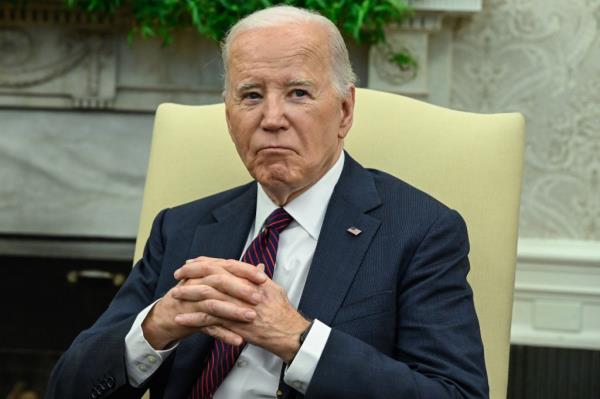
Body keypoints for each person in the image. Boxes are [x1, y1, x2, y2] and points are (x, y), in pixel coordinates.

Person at [46, 5, 488, 399]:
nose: (271, 119)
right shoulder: (181, 227)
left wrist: (296, 338)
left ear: (345, 111)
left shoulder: (420, 230)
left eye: (298, 93)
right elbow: (68, 388)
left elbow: (456, 393)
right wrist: (155, 328)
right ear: (228, 115)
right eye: (251, 95)